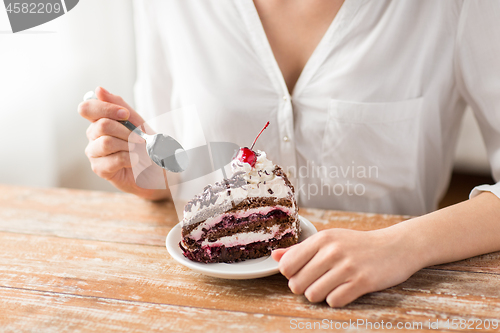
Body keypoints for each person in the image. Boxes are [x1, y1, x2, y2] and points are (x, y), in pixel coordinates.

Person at [78, 0, 500, 307]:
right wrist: (151, 172)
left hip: (382, 301)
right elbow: (180, 171)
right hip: (212, 305)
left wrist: (403, 247)